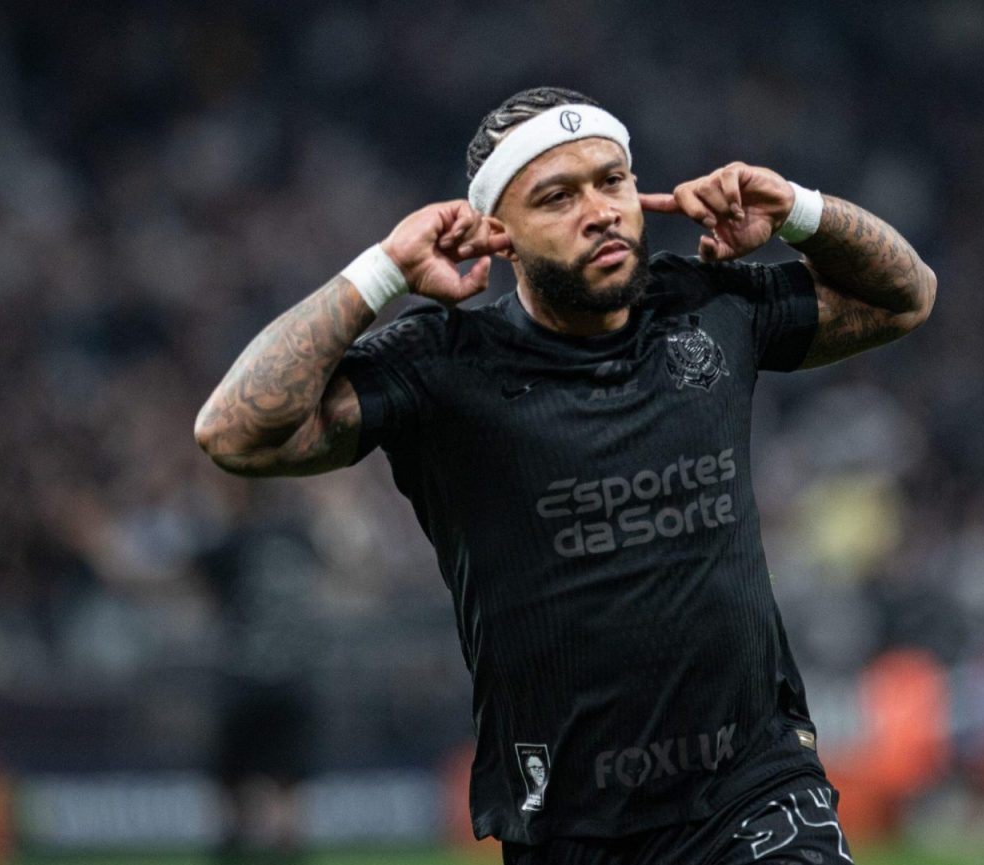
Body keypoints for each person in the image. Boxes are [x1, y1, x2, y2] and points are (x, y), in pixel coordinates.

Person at [194, 86, 936, 864]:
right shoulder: (444, 364)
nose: (600, 209)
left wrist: (798, 210)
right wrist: (381, 271)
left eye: (611, 180)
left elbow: (907, 296)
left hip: (753, 793)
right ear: (498, 235)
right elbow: (234, 432)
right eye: (556, 196)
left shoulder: (709, 304)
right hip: (568, 826)